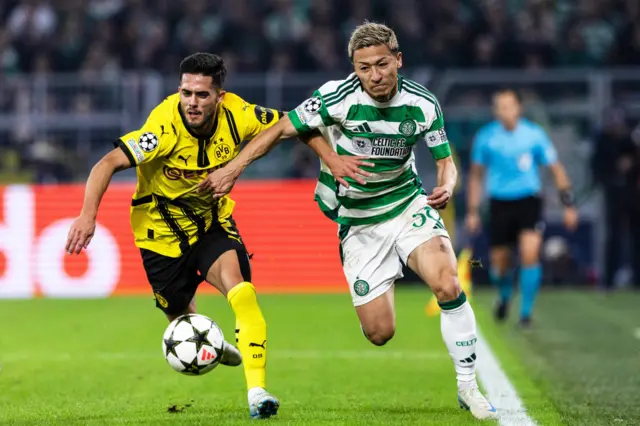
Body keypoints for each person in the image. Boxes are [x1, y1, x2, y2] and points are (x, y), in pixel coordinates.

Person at [199, 23, 498, 420]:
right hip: (358, 222)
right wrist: (234, 168)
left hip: (408, 205)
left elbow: (446, 161)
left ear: (398, 60)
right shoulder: (337, 96)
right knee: (379, 333)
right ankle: (379, 287)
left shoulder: (423, 103)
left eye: (382, 64)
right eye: (363, 68)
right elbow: (284, 127)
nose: (374, 75)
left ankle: (467, 387)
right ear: (353, 68)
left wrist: (447, 184)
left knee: (447, 281)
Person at [64, 52, 368, 419]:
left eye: (202, 95)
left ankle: (257, 392)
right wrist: (87, 216)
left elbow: (295, 123)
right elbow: (106, 163)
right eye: (186, 93)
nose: (192, 102)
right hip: (158, 234)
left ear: (219, 97)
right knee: (181, 323)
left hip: (211, 224)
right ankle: (217, 343)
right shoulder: (162, 128)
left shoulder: (239, 114)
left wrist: (332, 160)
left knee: (241, 292)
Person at [465, 88, 579, 326]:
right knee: (500, 263)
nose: (504, 111)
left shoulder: (534, 135)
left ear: (519, 108)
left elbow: (555, 168)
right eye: (499, 106)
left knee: (529, 254)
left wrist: (568, 204)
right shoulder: (486, 137)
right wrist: (473, 211)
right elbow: (476, 175)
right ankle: (505, 295)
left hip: (529, 200)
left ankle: (525, 313)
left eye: (508, 105)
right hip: (499, 203)